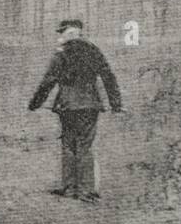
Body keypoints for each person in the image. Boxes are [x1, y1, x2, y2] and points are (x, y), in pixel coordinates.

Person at [28, 19, 123, 202]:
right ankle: (86, 190)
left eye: (61, 33)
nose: (60, 37)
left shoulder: (62, 53)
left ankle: (70, 188)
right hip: (89, 104)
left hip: (67, 105)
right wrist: (116, 104)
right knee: (84, 145)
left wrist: (35, 104)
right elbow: (108, 76)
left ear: (68, 33)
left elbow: (49, 80)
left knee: (69, 144)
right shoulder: (93, 50)